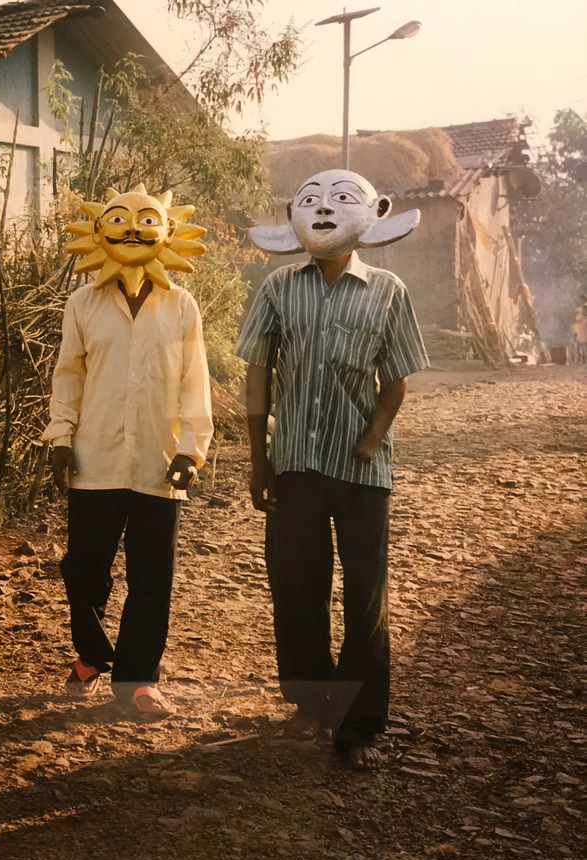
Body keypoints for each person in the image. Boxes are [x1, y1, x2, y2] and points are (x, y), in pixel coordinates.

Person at [235, 169, 429, 769]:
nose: (324, 211)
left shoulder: (388, 290)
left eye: (341, 201)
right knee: (296, 587)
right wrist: (259, 460)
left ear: (371, 214)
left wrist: (371, 439)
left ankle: (359, 725)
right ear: (293, 215)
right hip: (294, 463)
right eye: (311, 202)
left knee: (365, 596)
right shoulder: (278, 287)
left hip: (361, 473)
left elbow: (396, 380)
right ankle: (311, 704)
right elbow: (258, 374)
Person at [43, 185, 214, 717]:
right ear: (100, 231)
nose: (134, 231)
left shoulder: (180, 306)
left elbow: (194, 382)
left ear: (167, 232)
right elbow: (68, 376)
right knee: (83, 569)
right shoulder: (83, 303)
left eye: (147, 223)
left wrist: (191, 450)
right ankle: (93, 654)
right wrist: (60, 436)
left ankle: (138, 679)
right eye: (121, 222)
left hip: (158, 463)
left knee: (152, 575)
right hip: (93, 459)